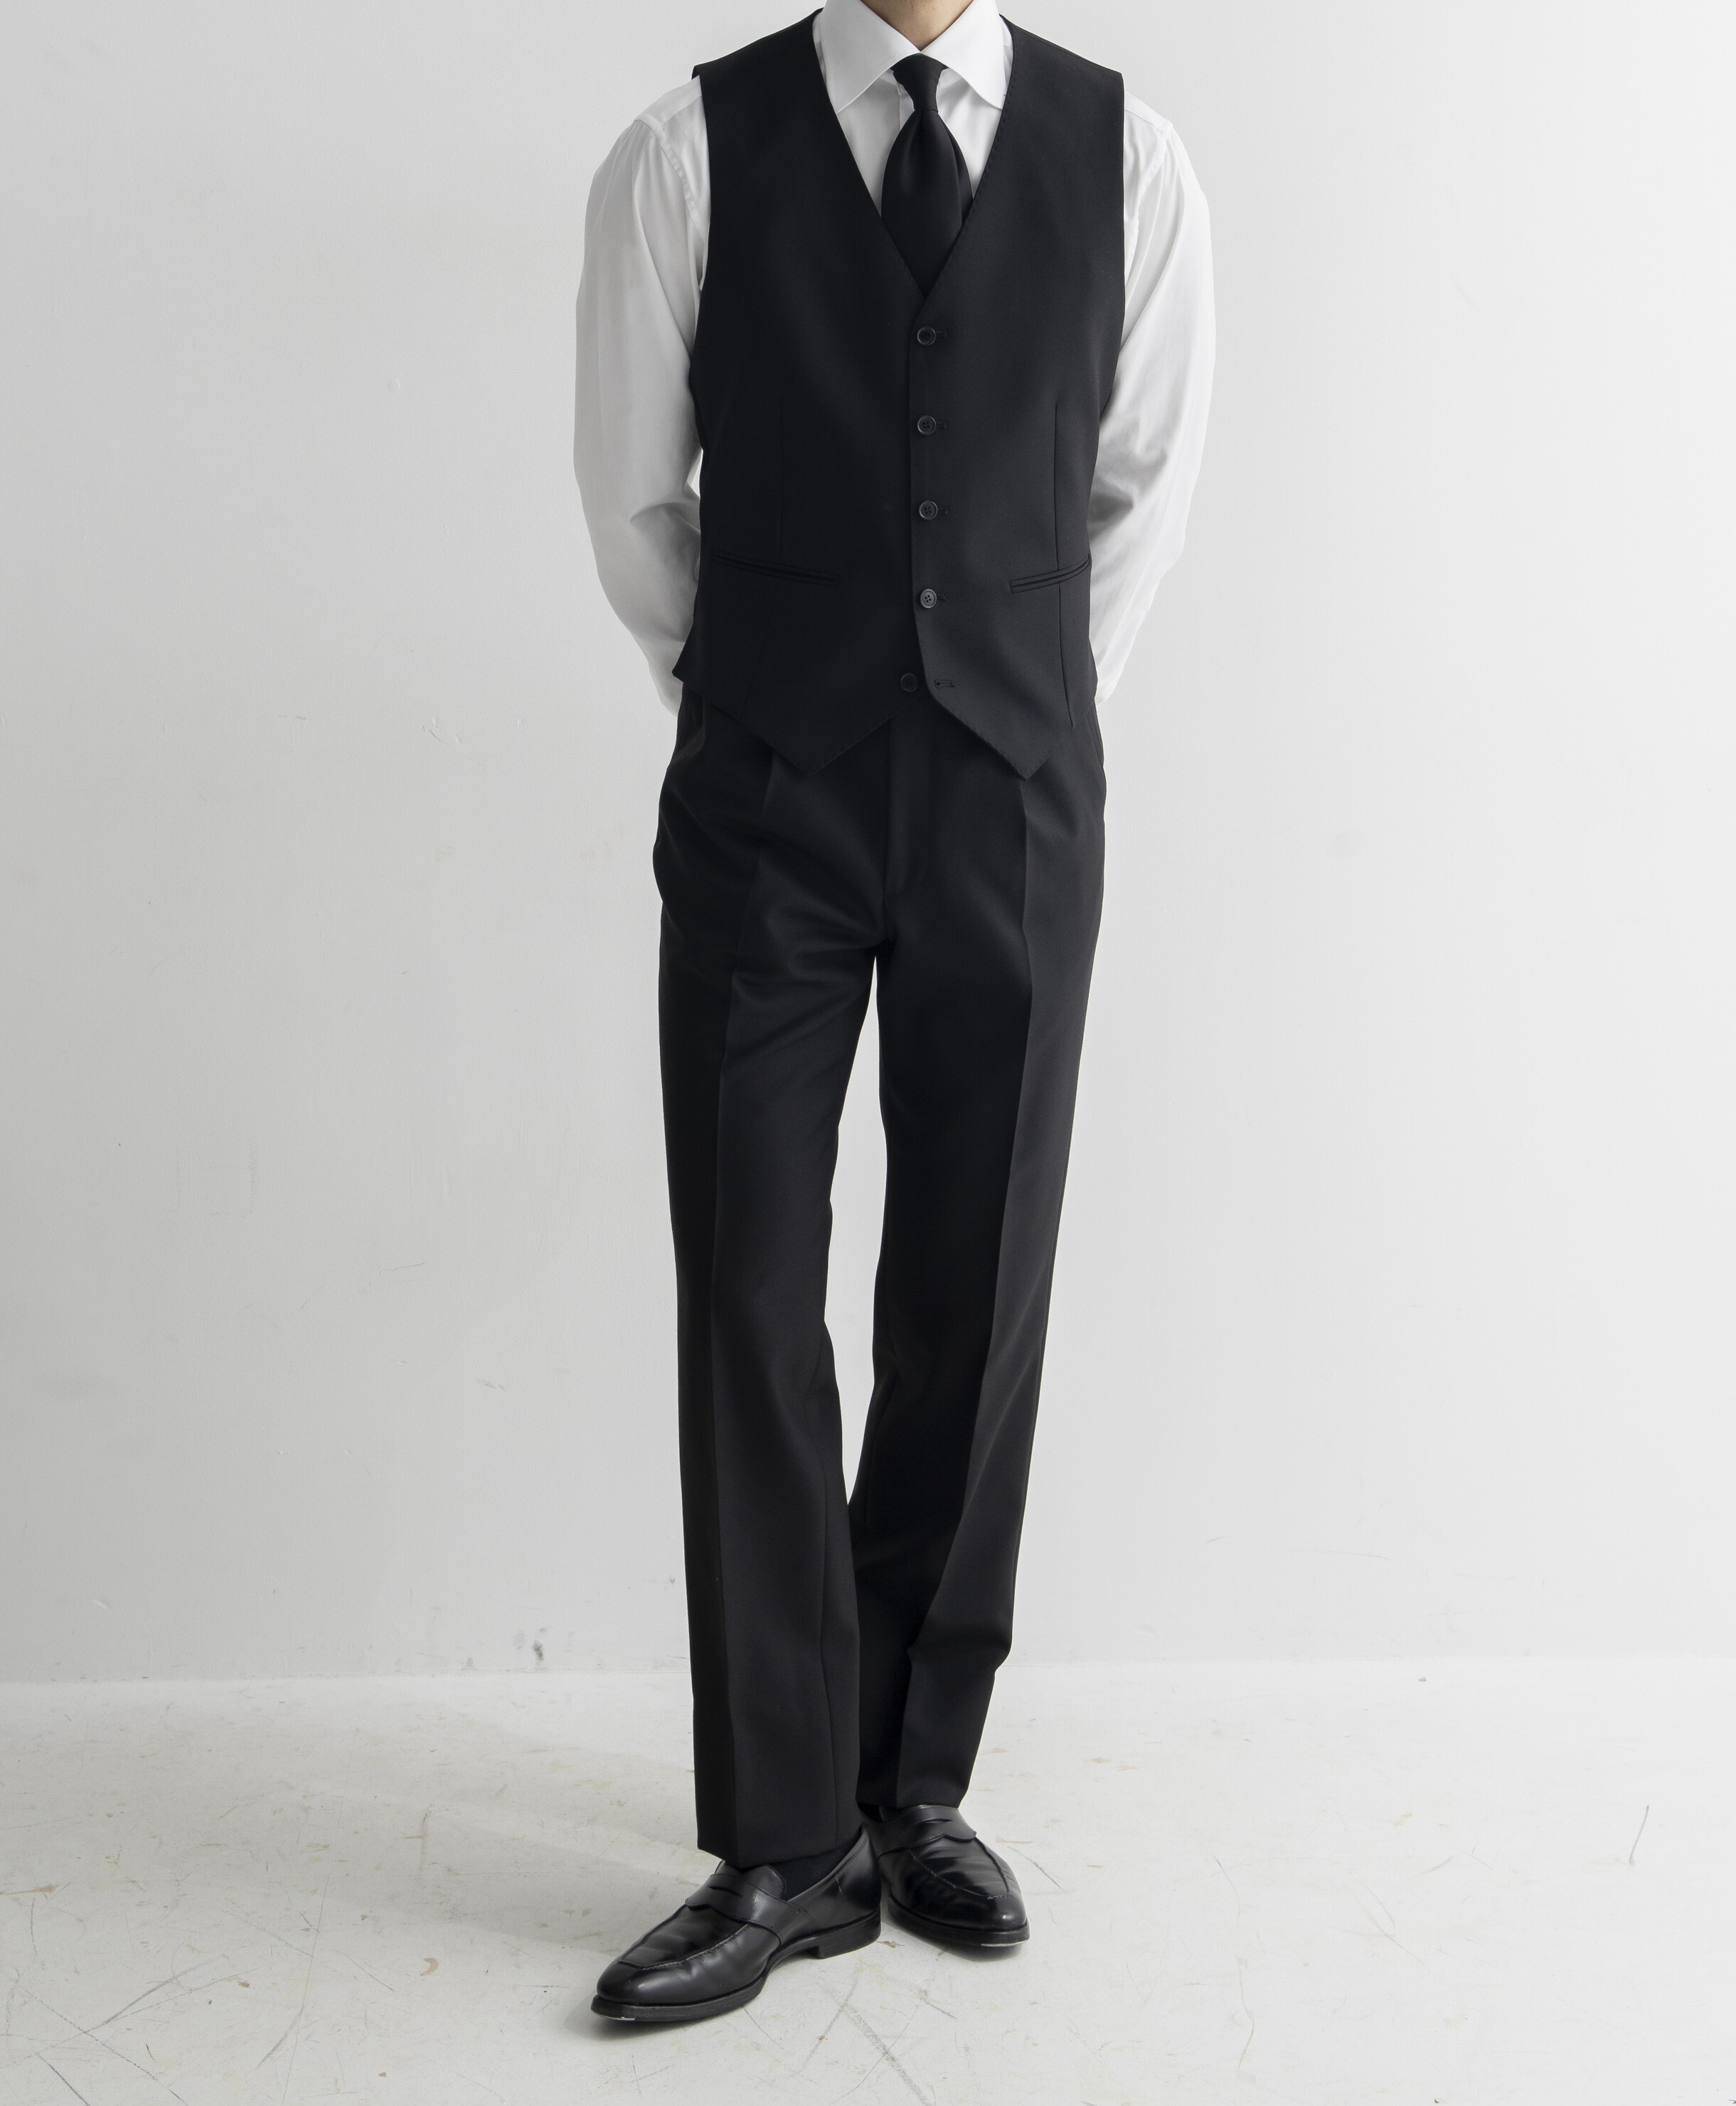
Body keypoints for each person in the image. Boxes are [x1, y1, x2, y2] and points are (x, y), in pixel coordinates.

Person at [573, 0, 1213, 2024]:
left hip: (1013, 795)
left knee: (975, 1284)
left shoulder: (1130, 159)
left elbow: (1137, 493)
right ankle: (785, 1836)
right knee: (751, 1286)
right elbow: (632, 498)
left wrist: (1001, 702)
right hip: (767, 789)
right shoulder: (687, 149)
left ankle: (907, 1784)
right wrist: (763, 700)